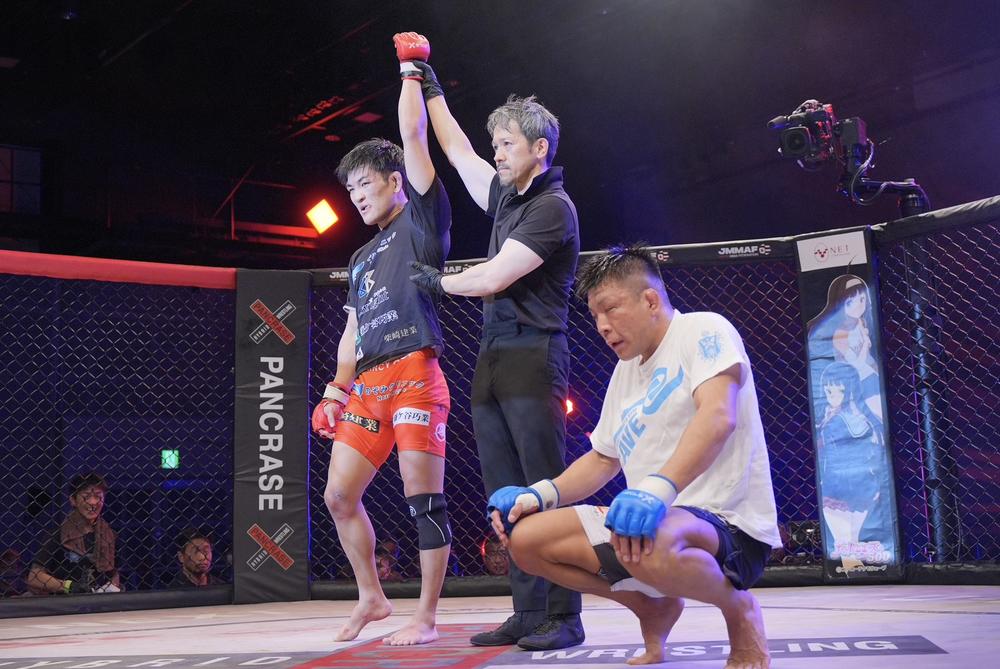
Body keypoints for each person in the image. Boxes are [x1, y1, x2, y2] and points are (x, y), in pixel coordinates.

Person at [487, 245, 782, 669]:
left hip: (727, 524)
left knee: (644, 537)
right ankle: (650, 606)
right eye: (595, 316)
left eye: (611, 309)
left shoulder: (703, 329)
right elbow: (602, 460)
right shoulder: (625, 371)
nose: (602, 326)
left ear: (650, 300)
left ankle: (740, 610)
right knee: (525, 540)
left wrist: (657, 491)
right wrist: (537, 495)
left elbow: (718, 416)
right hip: (645, 526)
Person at [400, 32, 583, 650]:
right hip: (494, 353)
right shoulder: (507, 194)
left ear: (539, 148)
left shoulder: (553, 208)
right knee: (502, 488)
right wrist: (428, 83)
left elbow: (494, 276)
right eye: (497, 143)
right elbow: (455, 149)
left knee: (542, 484)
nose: (497, 153)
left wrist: (436, 281)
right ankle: (528, 610)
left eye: (507, 144)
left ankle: (564, 613)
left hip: (535, 353)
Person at [311, 33, 452, 647]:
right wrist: (335, 391)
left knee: (424, 502)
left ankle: (426, 616)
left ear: (396, 182)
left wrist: (410, 73)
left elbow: (415, 140)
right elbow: (352, 330)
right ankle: (372, 596)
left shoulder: (421, 223)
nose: (358, 197)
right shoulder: (360, 257)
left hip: (416, 373)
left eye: (365, 184)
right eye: (350, 191)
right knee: (339, 496)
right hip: (368, 384)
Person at [816, 362, 891, 563]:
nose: (832, 395)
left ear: (850, 391)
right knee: (849, 546)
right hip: (861, 487)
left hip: (838, 487)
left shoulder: (838, 421)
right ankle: (855, 571)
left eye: (839, 390)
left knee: (845, 546)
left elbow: (829, 454)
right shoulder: (857, 418)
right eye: (828, 390)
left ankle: (853, 570)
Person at [26, 472, 121, 595]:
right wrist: (69, 586)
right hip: (64, 602)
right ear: (73, 500)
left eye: (98, 497)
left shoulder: (109, 535)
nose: (93, 502)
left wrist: (111, 588)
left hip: (98, 601)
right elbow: (34, 577)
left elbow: (114, 573)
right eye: (86, 497)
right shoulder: (58, 534)